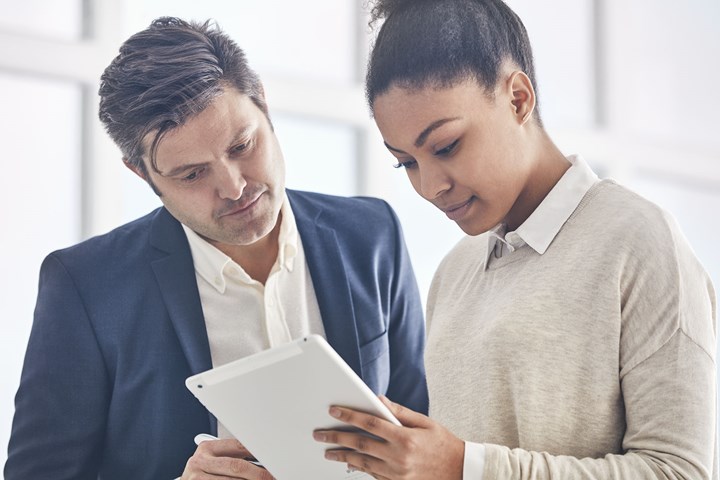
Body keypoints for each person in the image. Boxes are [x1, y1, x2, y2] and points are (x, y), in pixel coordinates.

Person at [4, 17, 428, 480]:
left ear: (263, 103)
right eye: (192, 174)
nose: (234, 186)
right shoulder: (86, 287)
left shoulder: (371, 234)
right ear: (141, 174)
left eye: (242, 145)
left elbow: (424, 431)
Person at [313, 0, 718, 479]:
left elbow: (679, 471)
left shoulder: (639, 242)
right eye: (407, 163)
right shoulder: (454, 273)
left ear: (518, 99)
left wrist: (464, 466)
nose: (430, 187)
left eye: (446, 146)